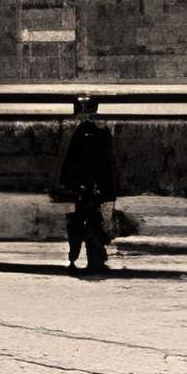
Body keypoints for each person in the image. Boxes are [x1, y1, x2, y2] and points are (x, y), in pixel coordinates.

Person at [58, 95, 119, 278]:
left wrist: (71, 183)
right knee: (93, 221)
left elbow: (72, 160)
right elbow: (107, 163)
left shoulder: (83, 132)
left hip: (85, 186)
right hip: (94, 186)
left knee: (82, 222)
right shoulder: (101, 133)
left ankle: (79, 257)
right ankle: (94, 258)